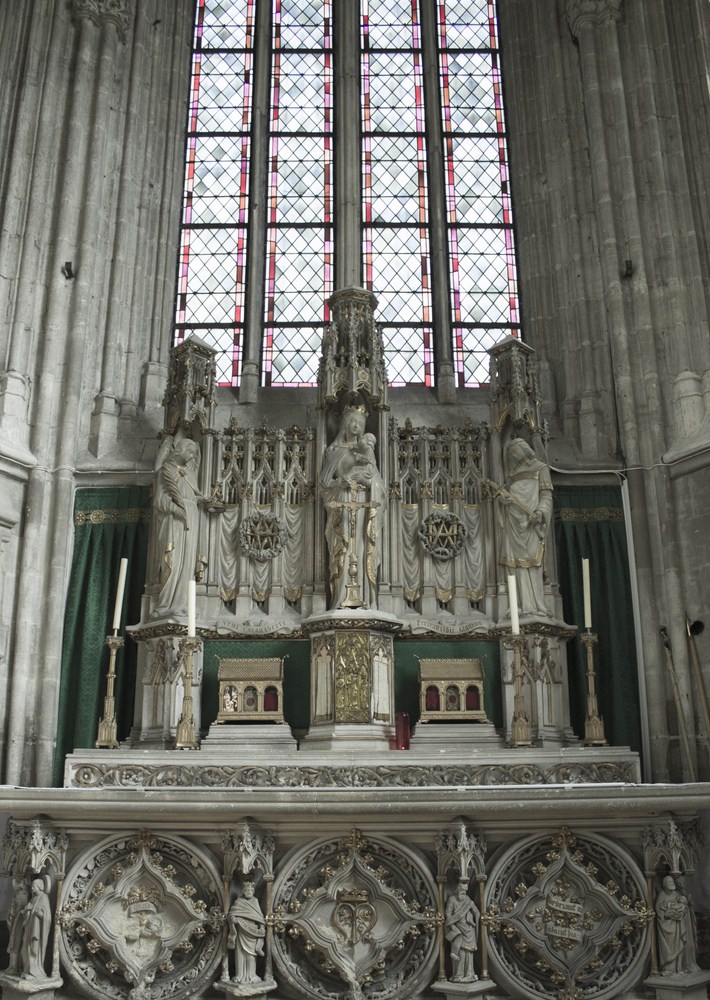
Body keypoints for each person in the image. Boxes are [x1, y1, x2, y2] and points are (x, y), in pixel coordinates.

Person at [320, 404, 385, 610]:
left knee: (363, 547)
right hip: (342, 503)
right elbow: (323, 484)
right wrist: (341, 482)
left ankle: (366, 598)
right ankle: (340, 599)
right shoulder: (334, 451)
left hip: (365, 504)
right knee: (344, 548)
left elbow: (379, 484)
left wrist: (368, 483)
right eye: (353, 421)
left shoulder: (366, 451)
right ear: (345, 424)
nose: (356, 426)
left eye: (360, 423)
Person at [495, 438, 553, 618]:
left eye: (515, 451)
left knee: (533, 562)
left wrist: (541, 512)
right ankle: (521, 603)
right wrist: (502, 500)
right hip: (513, 521)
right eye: (510, 453)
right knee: (516, 564)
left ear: (524, 449)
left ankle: (536, 605)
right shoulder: (512, 475)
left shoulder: (540, 468)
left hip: (531, 523)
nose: (512, 456)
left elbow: (546, 496)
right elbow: (503, 494)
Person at [150, 437, 202, 619]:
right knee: (173, 558)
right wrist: (175, 509)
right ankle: (166, 604)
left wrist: (198, 501)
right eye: (190, 451)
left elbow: (192, 495)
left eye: (195, 453)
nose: (192, 456)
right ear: (181, 449)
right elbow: (159, 500)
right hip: (173, 520)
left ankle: (182, 603)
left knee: (187, 563)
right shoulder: (166, 471)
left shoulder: (190, 473)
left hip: (191, 518)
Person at [656, 875, 700, 976]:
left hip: (678, 925)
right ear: (664, 885)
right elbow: (658, 909)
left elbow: (683, 906)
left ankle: (679, 968)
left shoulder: (676, 894)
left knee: (680, 945)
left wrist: (681, 909)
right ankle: (668, 969)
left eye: (672, 882)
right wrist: (666, 913)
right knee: (669, 947)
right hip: (667, 926)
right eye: (669, 882)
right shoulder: (662, 895)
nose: (671, 884)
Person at [227, 882, 266, 984]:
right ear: (243, 891)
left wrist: (262, 927)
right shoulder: (239, 901)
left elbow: (260, 917)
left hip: (253, 932)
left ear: (253, 892)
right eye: (246, 890)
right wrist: (233, 919)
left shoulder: (255, 901)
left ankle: (252, 975)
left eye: (250, 890)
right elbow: (231, 914)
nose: (248, 892)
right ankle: (239, 975)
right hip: (241, 931)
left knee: (251, 955)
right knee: (240, 954)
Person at [445, 882, 479, 983]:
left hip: (468, 930)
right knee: (459, 953)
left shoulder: (468, 900)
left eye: (465, 892)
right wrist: (452, 927)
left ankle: (469, 974)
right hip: (457, 929)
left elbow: (477, 912)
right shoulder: (451, 900)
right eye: (461, 891)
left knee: (469, 953)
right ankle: (458, 975)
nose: (463, 894)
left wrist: (473, 919)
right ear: (457, 890)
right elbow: (448, 914)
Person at [19, 878, 52, 980]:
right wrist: (26, 911)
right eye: (32, 886)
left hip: (36, 931)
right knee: (25, 949)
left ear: (39, 887)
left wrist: (40, 914)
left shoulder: (44, 897)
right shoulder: (33, 898)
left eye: (34, 886)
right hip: (29, 928)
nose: (32, 888)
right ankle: (27, 970)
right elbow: (28, 913)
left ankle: (35, 971)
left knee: (34, 950)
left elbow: (48, 917)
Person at [5, 879, 29, 975]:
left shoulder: (25, 895)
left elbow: (23, 908)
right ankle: (12, 966)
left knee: (16, 944)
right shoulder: (19, 895)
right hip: (16, 921)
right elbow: (13, 908)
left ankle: (15, 967)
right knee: (13, 944)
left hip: (19, 922)